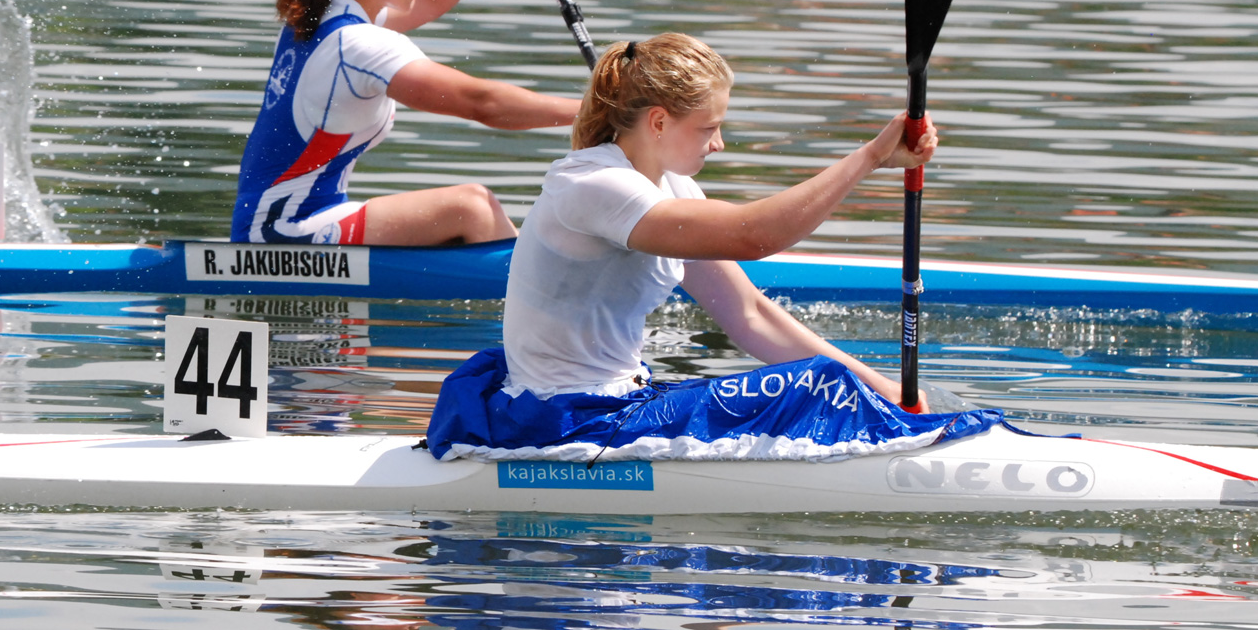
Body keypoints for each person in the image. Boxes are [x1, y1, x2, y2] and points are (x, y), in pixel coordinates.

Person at [427, 32, 1004, 463]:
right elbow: (756, 236)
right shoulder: (592, 185)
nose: (720, 143)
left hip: (615, 401)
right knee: (818, 389)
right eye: (708, 128)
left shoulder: (673, 187)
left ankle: (917, 430)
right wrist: (869, 158)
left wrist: (887, 390)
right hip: (561, 420)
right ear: (658, 123)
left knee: (838, 385)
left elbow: (750, 315)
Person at [232, 0, 580, 247]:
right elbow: (484, 105)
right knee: (471, 207)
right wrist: (599, 109)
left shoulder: (321, 12)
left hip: (285, 221)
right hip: (281, 233)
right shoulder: (359, 45)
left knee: (474, 213)